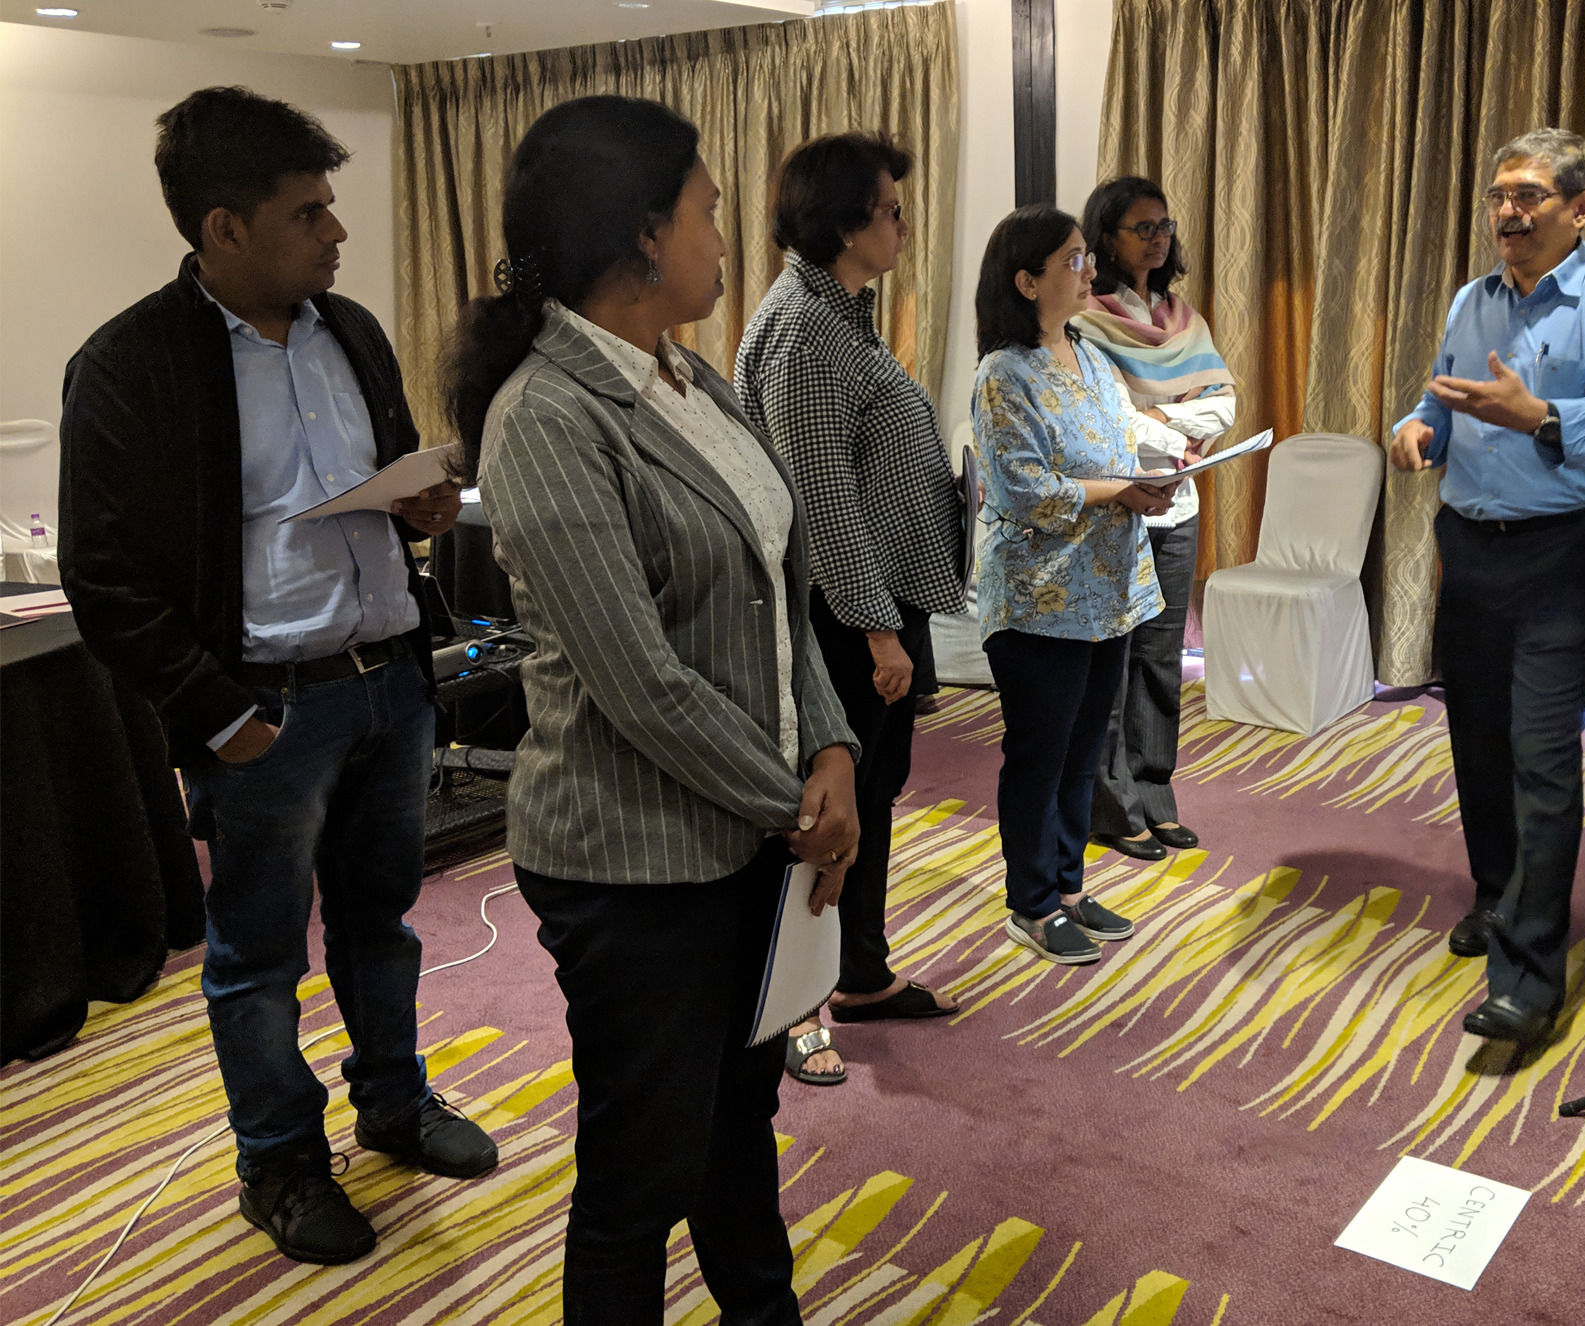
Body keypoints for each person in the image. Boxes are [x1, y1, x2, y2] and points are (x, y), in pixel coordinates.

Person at [58, 86, 492, 1265]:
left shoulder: (348, 330)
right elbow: (103, 577)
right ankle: (281, 1164)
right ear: (224, 227)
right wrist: (218, 717)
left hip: (388, 684)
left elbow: (384, 489)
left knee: (381, 927)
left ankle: (394, 1105)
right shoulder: (131, 365)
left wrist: (423, 507)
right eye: (308, 213)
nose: (337, 232)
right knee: (257, 959)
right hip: (267, 711)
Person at [451, 95, 860, 1323]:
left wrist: (832, 744)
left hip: (748, 832)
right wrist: (796, 805)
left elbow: (783, 593)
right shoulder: (546, 415)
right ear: (641, 231)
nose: (723, 237)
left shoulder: (690, 379)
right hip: (632, 863)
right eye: (707, 211)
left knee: (737, 1126)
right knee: (642, 1170)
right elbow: (639, 684)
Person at [1390, 128, 1585, 1047]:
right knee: (1476, 738)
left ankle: (1530, 976)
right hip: (1469, 549)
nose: (1508, 213)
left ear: (1580, 208)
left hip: (1562, 554)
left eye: (1529, 196)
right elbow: (1441, 398)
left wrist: (1540, 414)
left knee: (1542, 755)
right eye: (1499, 195)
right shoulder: (1472, 300)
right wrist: (1418, 430)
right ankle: (1496, 895)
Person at [735, 133, 964, 1088]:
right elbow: (820, 500)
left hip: (876, 602)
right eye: (890, 210)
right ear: (842, 223)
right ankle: (796, 1007)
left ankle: (859, 974)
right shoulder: (805, 332)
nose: (904, 225)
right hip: (843, 615)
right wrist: (878, 630)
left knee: (870, 800)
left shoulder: (840, 314)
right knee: (823, 811)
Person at [970, 204, 1177, 966]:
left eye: (1087, 255)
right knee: (1041, 755)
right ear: (1027, 281)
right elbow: (1026, 490)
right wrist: (1119, 490)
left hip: (1106, 592)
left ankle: (1066, 887)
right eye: (1072, 260)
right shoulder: (1003, 375)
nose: (1089, 271)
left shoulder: (1087, 355)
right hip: (1040, 600)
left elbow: (1122, 438)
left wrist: (1163, 465)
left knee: (1085, 751)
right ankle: (1029, 903)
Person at [1076, 176, 1237, 862]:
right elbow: (1112, 420)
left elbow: (1225, 403)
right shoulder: (1086, 318)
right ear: (1107, 237)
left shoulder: (1181, 317)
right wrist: (1174, 421)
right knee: (1113, 662)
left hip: (1181, 499)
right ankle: (1112, 806)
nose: (1158, 238)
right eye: (1142, 227)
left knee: (1162, 660)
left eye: (1164, 225)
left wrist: (1161, 417)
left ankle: (1154, 794)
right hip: (1120, 503)